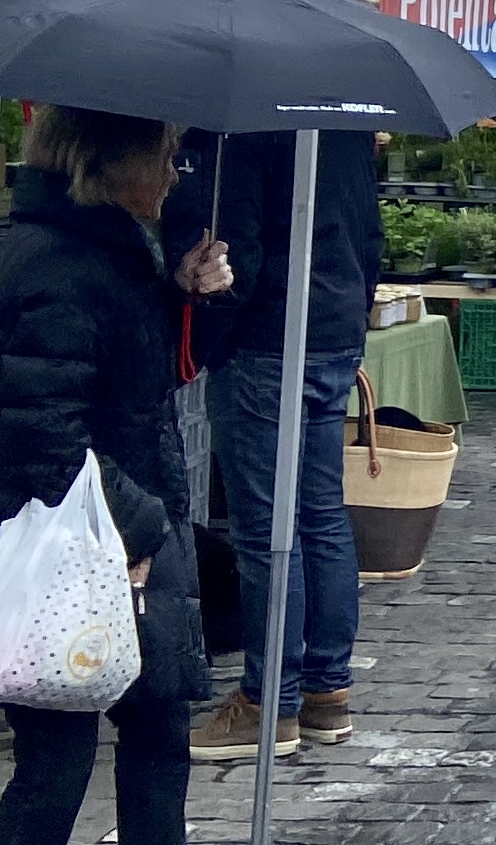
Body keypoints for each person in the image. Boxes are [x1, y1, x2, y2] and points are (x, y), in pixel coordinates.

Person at [0, 106, 284, 845]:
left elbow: (138, 376)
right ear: (110, 161)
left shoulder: (112, 248)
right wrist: (141, 526)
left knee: (160, 723)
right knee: (54, 757)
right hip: (73, 546)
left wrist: (188, 296)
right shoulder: (56, 261)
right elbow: (46, 429)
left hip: (126, 531)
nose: (174, 175)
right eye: (164, 156)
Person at [162, 127, 380, 764]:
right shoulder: (345, 119)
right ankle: (326, 692)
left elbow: (235, 250)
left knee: (266, 529)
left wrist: (213, 333)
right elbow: (370, 232)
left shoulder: (246, 122)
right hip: (333, 325)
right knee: (320, 515)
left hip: (269, 338)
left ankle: (268, 702)